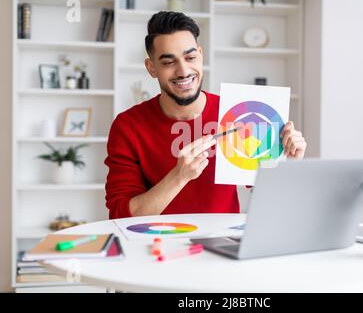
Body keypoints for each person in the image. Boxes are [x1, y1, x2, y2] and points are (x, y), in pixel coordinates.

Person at [104, 11, 307, 219]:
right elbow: (121, 216)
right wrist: (178, 177)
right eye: (168, 62)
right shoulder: (128, 126)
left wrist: (287, 163)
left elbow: (273, 198)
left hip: (222, 244)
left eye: (190, 57)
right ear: (151, 67)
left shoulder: (237, 113)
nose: (183, 71)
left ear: (200, 55)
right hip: (155, 245)